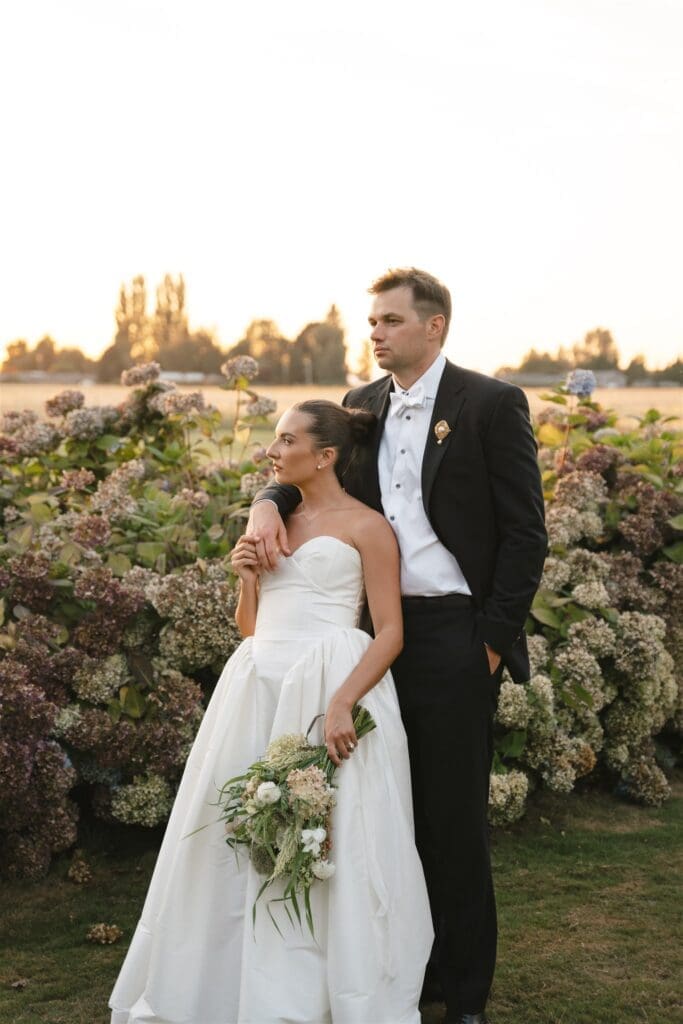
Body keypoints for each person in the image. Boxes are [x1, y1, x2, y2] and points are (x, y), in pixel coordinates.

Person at [249, 267, 548, 1024]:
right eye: (372, 322)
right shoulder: (359, 407)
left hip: (453, 634)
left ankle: (465, 993)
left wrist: (488, 643)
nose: (374, 332)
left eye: (388, 320)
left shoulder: (489, 403)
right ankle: (405, 972)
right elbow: (305, 472)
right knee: (378, 813)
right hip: (366, 636)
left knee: (451, 820)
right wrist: (263, 504)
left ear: (433, 326)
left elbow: (523, 533)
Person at [109, 399, 433, 1024]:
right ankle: (229, 985)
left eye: (284, 441)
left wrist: (344, 701)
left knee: (333, 837)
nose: (271, 451)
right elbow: (249, 628)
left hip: (327, 682)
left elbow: (390, 632)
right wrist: (247, 579)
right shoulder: (272, 522)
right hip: (258, 682)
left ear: (325, 456)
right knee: (235, 833)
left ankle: (316, 991)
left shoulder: (368, 527)